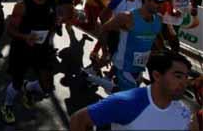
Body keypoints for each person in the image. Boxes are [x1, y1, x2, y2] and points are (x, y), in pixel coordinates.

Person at [70, 51, 198, 131]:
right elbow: (79, 120)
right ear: (157, 76)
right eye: (178, 76)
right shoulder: (126, 102)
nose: (184, 82)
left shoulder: (183, 112)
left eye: (186, 77)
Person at [0, 0, 63, 124]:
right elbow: (10, 30)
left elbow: (54, 21)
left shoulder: (53, 1)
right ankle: (7, 106)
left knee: (47, 85)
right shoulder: (22, 6)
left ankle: (28, 88)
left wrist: (57, 24)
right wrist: (25, 37)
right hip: (22, 50)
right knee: (16, 82)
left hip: (42, 50)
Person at [97, 0, 168, 91]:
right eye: (157, 2)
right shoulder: (126, 17)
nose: (160, 5)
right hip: (123, 67)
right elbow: (103, 29)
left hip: (139, 69)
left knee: (122, 98)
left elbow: (156, 39)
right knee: (127, 101)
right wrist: (105, 51)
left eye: (162, 2)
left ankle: (97, 80)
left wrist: (164, 55)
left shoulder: (159, 19)